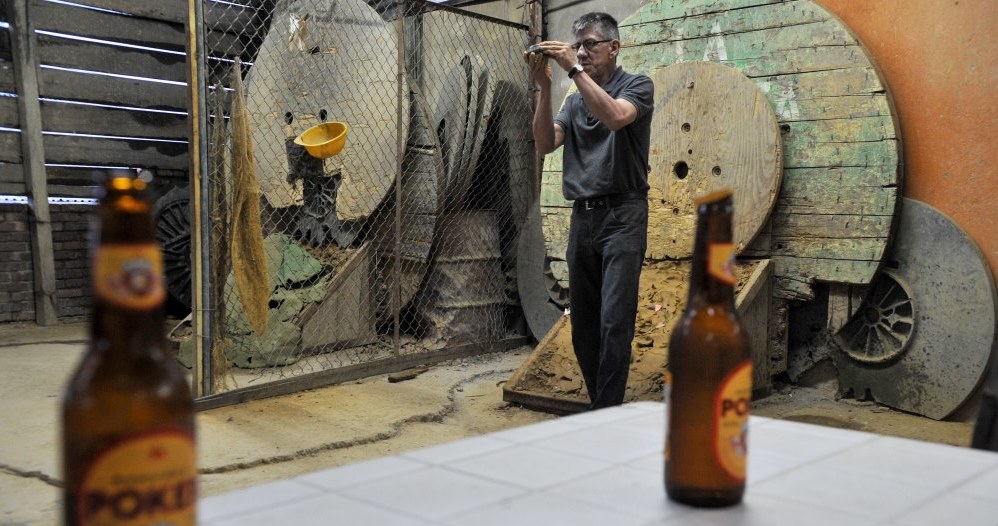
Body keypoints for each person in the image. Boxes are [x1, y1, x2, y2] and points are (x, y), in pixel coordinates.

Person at [526, 12, 654, 409]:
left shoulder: (637, 86)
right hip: (584, 216)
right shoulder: (574, 99)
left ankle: (606, 411)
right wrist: (546, 89)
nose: (582, 52)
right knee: (584, 322)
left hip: (623, 215)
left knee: (615, 320)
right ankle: (602, 406)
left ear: (614, 48)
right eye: (577, 45)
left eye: (590, 45)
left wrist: (574, 69)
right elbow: (545, 143)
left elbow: (616, 117)